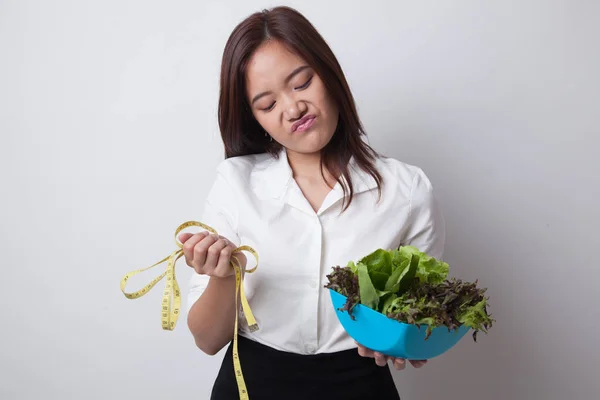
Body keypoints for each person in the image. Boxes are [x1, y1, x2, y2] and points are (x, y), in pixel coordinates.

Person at [179, 6, 445, 400]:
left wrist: (408, 337)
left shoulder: (407, 189)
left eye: (302, 83)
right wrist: (222, 274)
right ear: (254, 119)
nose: (292, 109)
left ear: (329, 73)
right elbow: (207, 339)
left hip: (360, 386)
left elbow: (425, 315)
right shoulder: (236, 183)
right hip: (253, 384)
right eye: (267, 105)